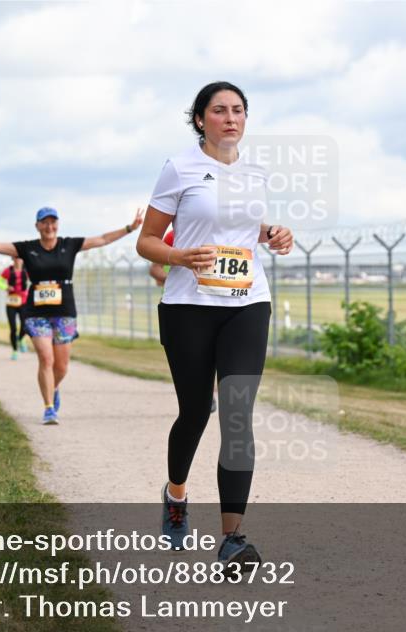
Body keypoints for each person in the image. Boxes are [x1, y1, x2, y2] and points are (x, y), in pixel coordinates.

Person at [136, 81, 293, 570]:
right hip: (188, 305)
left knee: (237, 414)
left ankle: (232, 538)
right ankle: (177, 493)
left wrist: (273, 232)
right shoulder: (179, 167)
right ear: (200, 119)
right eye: (220, 110)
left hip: (248, 301)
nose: (231, 117)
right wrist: (178, 255)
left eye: (239, 110)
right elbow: (146, 242)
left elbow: (246, 226)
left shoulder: (256, 171)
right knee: (195, 412)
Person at [0, 205, 143, 424]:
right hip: (36, 312)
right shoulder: (27, 249)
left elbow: (102, 239)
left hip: (64, 312)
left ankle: (54, 387)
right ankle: (48, 408)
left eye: (52, 222)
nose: (49, 226)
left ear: (57, 224)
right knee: (46, 358)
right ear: (37, 226)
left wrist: (130, 228)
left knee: (61, 366)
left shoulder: (69, 245)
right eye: (44, 222)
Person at [149, 228, 218, 414]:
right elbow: (154, 268)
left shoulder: (224, 234)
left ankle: (209, 394)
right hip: (182, 304)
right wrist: (173, 279)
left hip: (216, 301)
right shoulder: (174, 235)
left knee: (216, 352)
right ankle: (201, 396)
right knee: (197, 356)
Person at [0, 257, 30, 360]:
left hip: (24, 302)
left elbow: (35, 280)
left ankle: (21, 339)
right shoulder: (8, 271)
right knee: (13, 328)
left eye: (20, 258)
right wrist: (6, 287)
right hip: (11, 302)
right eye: (16, 258)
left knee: (25, 325)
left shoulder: (27, 270)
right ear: (13, 259)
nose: (18, 260)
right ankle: (15, 350)